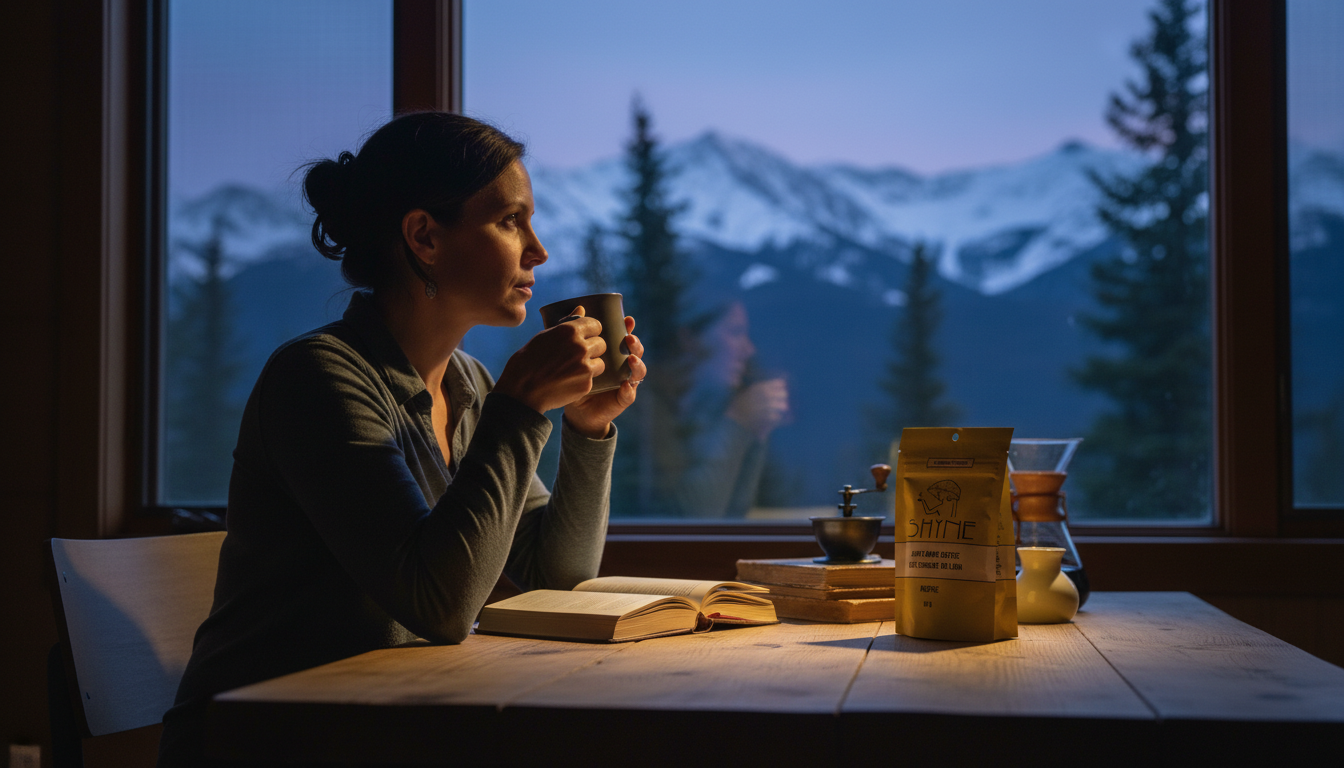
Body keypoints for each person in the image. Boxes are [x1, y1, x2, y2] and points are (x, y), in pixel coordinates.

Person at [157, 112, 646, 766]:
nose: (539, 250)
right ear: (424, 237)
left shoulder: (470, 385)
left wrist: (586, 430)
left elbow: (556, 574)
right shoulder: (317, 378)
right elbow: (438, 605)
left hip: (382, 724)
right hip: (268, 738)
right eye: (510, 221)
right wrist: (521, 407)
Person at [677, 301, 789, 517]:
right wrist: (737, 421)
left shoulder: (707, 410)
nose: (749, 350)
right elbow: (691, 518)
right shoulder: (650, 416)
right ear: (691, 339)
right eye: (735, 332)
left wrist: (756, 434)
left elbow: (733, 516)